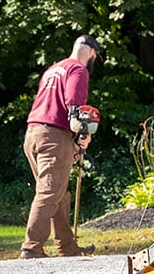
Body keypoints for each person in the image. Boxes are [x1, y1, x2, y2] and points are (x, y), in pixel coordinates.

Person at [20, 35, 101, 259]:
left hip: (33, 133)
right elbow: (74, 103)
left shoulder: (53, 69)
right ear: (91, 53)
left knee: (59, 193)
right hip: (54, 136)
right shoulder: (78, 69)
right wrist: (83, 135)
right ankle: (31, 247)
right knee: (49, 192)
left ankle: (67, 247)